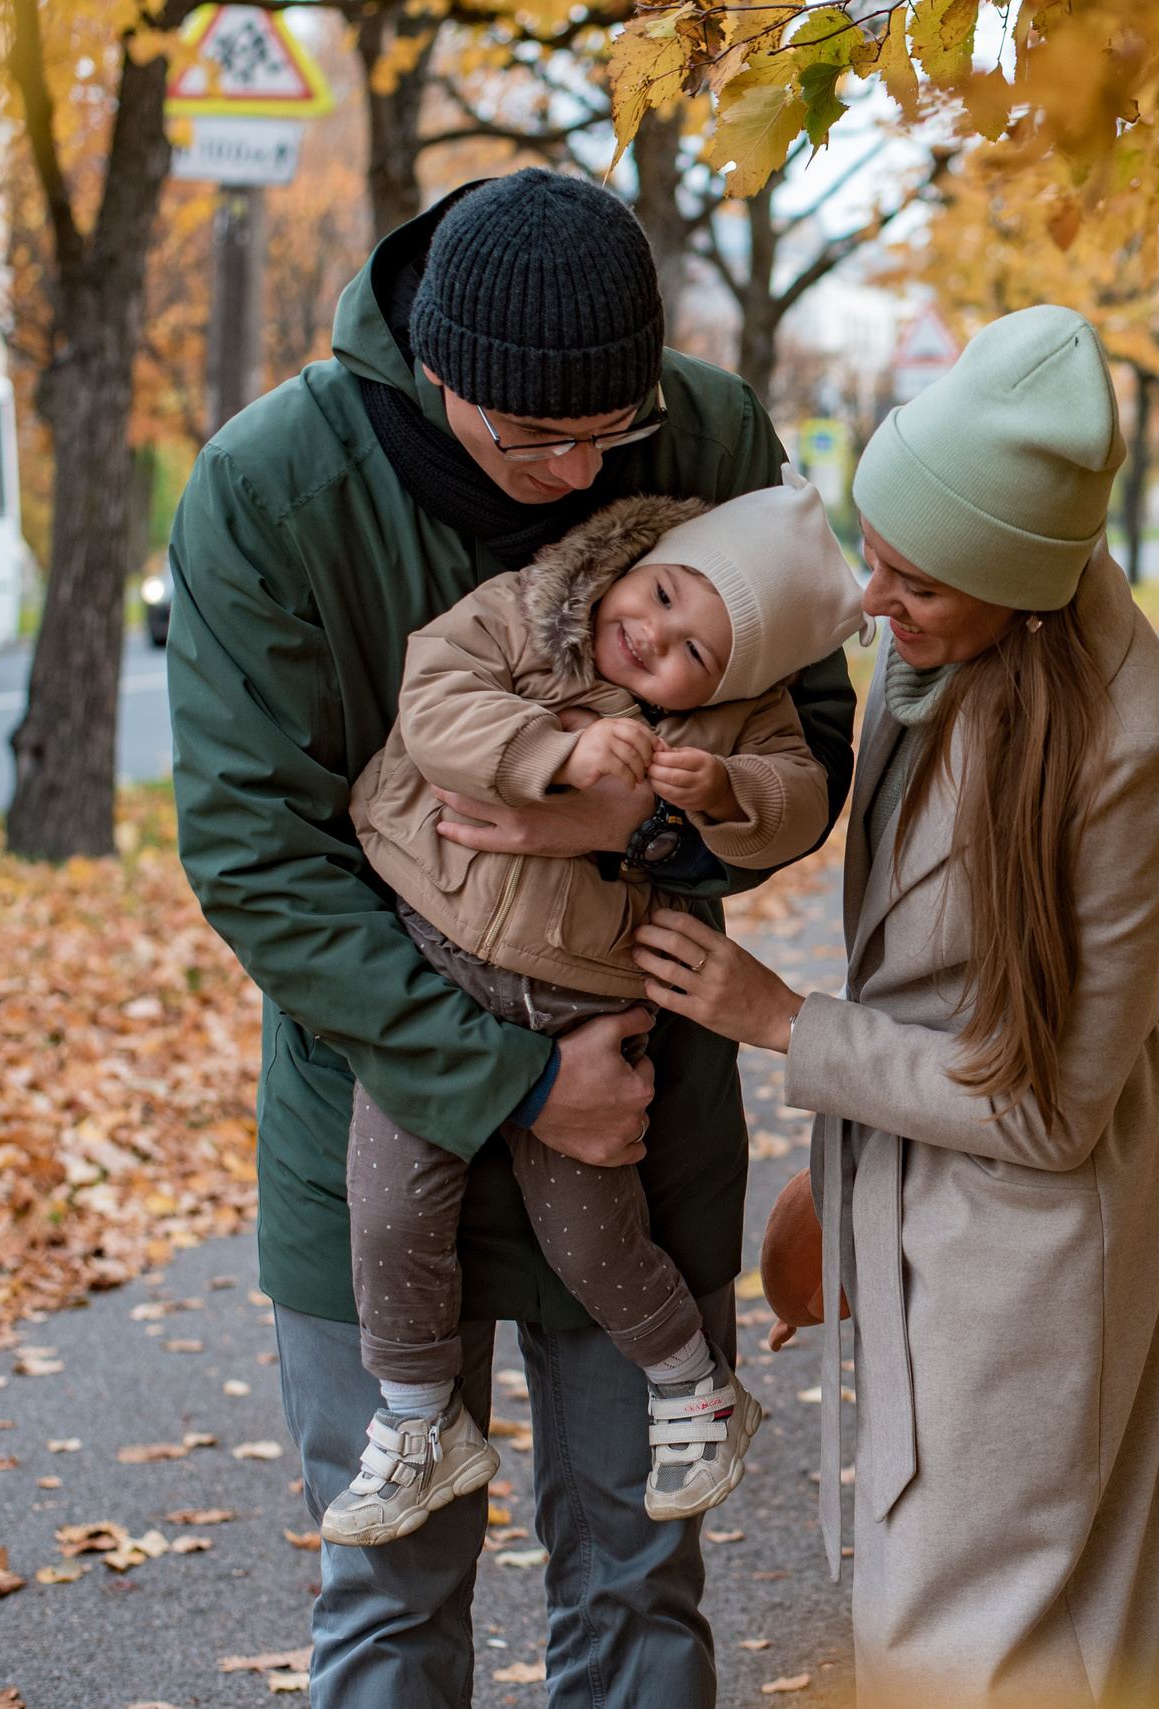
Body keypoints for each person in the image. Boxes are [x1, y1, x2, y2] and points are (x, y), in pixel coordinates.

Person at [166, 169, 857, 1708]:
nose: (574, 470)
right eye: (527, 437)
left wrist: (643, 825)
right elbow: (252, 849)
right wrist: (514, 1083)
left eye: (608, 436)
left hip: (640, 1101)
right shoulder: (275, 488)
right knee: (392, 1590)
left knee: (634, 1574)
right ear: (431, 373)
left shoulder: (713, 435)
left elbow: (813, 742)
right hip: (373, 1105)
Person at [629, 304, 1159, 1708]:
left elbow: (1053, 1105)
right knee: (959, 1624)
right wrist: (845, 1185)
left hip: (1034, 1242)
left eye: (916, 586)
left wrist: (788, 1027)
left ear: (1025, 589)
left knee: (1006, 1645)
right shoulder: (948, 627)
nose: (874, 607)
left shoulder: (1127, 758)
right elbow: (921, 958)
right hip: (931, 1190)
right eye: (874, 564)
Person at [324, 473, 864, 1547]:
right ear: (637, 561)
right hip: (436, 952)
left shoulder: (732, 717)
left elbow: (797, 795)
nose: (650, 637)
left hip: (580, 990)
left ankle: (693, 1386)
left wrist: (717, 792)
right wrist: (555, 757)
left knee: (591, 1226)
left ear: (732, 676)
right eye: (660, 594)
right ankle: (422, 1417)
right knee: (388, 1209)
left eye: (691, 651)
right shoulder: (533, 610)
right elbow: (434, 697)